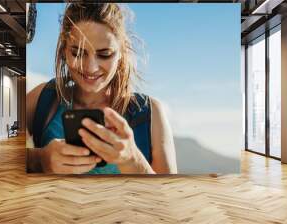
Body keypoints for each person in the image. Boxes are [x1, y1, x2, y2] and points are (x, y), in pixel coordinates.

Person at [26, 3, 177, 174]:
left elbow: (168, 197)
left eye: (104, 54)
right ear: (63, 50)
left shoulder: (150, 113)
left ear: (121, 53)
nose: (90, 68)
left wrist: (132, 159)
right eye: (78, 53)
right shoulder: (43, 99)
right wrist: (39, 159)